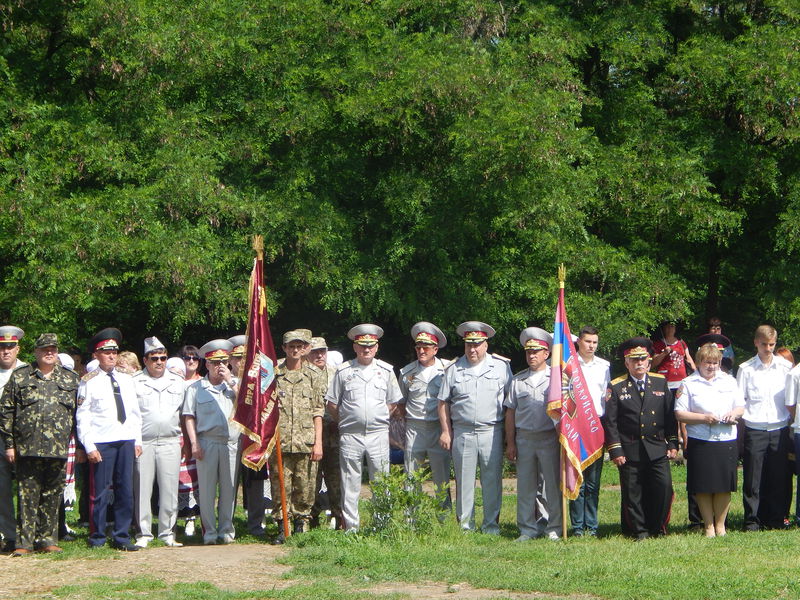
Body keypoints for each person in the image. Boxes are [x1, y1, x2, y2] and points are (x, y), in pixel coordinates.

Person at [0, 333, 79, 555]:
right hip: (28, 447)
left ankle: (47, 539)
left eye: (53, 349)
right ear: (35, 352)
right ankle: (24, 543)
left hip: (57, 448)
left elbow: (79, 414)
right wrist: (9, 444)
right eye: (45, 349)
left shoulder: (69, 378)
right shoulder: (21, 377)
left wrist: (79, 445)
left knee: (53, 495)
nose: (49, 353)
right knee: (27, 496)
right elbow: (6, 412)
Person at [325, 324, 402, 532]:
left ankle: (382, 525)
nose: (366, 350)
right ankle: (351, 528)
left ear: (376, 347)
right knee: (350, 483)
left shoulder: (385, 371)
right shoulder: (344, 371)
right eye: (362, 346)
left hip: (378, 434)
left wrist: (378, 417)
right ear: (355, 347)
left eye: (370, 346)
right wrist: (347, 420)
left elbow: (393, 402)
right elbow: (332, 403)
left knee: (381, 481)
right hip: (351, 435)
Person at [438, 321, 512, 534]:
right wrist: (446, 431)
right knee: (464, 481)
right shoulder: (454, 368)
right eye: (468, 345)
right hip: (463, 431)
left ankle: (491, 525)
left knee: (492, 480)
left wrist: (509, 437)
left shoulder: (501, 366)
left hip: (492, 430)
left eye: (477, 344)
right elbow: (443, 402)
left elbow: (510, 403)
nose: (472, 349)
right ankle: (465, 525)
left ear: (485, 345)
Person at [603, 337, 678, 540]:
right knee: (632, 493)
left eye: (642, 359)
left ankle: (658, 526)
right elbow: (610, 422)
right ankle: (639, 530)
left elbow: (670, 415)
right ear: (627, 362)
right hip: (630, 448)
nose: (639, 363)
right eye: (634, 360)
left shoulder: (660, 382)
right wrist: (616, 450)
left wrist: (673, 442)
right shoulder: (617, 386)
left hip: (656, 446)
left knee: (663, 488)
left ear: (649, 360)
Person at [76, 327, 143, 551]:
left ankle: (122, 536)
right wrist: (89, 446)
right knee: (100, 492)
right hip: (102, 441)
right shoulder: (89, 381)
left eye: (114, 351)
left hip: (125, 439)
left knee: (125, 490)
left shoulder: (126, 379)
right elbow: (82, 416)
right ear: (96, 355)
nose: (112, 356)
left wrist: (138, 440)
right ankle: (97, 536)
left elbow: (134, 412)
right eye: (106, 352)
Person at [674, 343, 744, 537]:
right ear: (699, 362)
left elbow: (741, 406)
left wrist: (733, 414)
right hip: (701, 439)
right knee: (702, 485)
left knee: (724, 485)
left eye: (715, 362)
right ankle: (708, 526)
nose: (711, 366)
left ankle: (720, 525)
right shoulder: (688, 383)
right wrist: (704, 418)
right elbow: (679, 413)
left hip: (726, 439)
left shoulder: (729, 381)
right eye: (707, 362)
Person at [182, 339, 240, 544]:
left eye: (224, 361)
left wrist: (231, 381)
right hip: (207, 442)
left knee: (229, 489)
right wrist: (194, 443)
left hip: (231, 443)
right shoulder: (196, 388)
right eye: (215, 362)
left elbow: (247, 406)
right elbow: (189, 416)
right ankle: (209, 531)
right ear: (206, 364)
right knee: (206, 490)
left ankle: (226, 529)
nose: (220, 366)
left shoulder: (234, 385)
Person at [270, 330, 325, 542]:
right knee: (280, 484)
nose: (294, 350)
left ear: (304, 349)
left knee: (306, 485)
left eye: (298, 346)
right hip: (280, 441)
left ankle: (302, 523)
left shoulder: (313, 375)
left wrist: (318, 442)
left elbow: (318, 411)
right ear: (284, 348)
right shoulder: (274, 374)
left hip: (306, 440)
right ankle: (282, 525)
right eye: (290, 346)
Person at [504, 327, 560, 541]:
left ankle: (553, 526)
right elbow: (510, 412)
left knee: (553, 487)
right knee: (526, 487)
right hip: (525, 438)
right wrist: (511, 443)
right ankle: (527, 528)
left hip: (549, 438)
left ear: (546, 354)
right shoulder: (518, 381)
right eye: (529, 352)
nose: (532, 355)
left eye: (536, 351)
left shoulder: (556, 378)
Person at [737, 325, 793, 530]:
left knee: (779, 476)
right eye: (764, 344)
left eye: (771, 344)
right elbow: (739, 401)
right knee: (753, 478)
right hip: (755, 428)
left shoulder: (785, 368)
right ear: (756, 343)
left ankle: (777, 518)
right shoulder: (746, 369)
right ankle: (753, 520)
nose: (768, 349)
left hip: (779, 428)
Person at [132, 336, 186, 548]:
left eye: (163, 358)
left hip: (170, 441)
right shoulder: (135, 382)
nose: (159, 362)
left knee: (170, 488)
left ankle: (167, 532)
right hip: (143, 442)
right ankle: (143, 533)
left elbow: (184, 414)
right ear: (145, 360)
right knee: (142, 488)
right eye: (154, 358)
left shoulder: (177, 382)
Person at [398, 322, 452, 509]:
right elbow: (400, 403)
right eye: (418, 347)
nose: (421, 351)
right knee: (411, 475)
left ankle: (444, 517)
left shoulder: (447, 369)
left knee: (441, 475)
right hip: (415, 427)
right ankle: (411, 517)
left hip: (438, 426)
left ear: (435, 349)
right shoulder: (407, 372)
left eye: (426, 347)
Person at [569, 325, 610, 537]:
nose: (591, 346)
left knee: (593, 482)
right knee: (577, 478)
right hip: (575, 426)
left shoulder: (604, 367)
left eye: (594, 342)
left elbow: (606, 398)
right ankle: (577, 527)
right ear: (579, 342)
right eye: (587, 342)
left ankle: (591, 526)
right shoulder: (569, 365)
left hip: (596, 426)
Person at [308, 336, 343, 529]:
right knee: (311, 479)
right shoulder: (304, 375)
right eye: (315, 351)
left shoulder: (337, 374)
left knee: (336, 479)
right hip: (309, 436)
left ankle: (339, 518)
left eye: (322, 351)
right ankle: (311, 519)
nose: (319, 355)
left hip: (334, 435)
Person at [0, 325, 25, 552]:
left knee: (28, 489)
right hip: (0, 439)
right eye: (2, 347)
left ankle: (29, 536)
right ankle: (8, 534)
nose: (6, 351)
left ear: (18, 348)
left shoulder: (28, 371)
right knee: (2, 490)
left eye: (10, 347)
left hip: (26, 439)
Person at [177, 344, 202, 537]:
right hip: (177, 437)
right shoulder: (174, 382)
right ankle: (180, 518)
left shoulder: (202, 383)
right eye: (187, 358)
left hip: (199, 437)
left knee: (197, 480)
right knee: (179, 480)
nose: (191, 361)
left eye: (195, 358)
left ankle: (196, 519)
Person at [652, 321, 696, 395]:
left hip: (681, 381)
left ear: (675, 329)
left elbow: (688, 358)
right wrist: (664, 353)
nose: (669, 329)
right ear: (663, 329)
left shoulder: (681, 343)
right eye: (667, 327)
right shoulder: (658, 344)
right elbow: (653, 363)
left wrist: (696, 373)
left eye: (672, 326)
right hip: (665, 381)